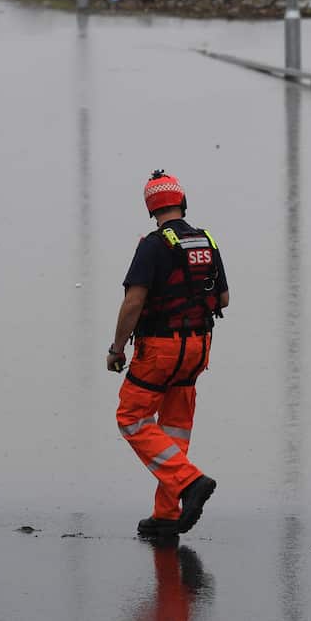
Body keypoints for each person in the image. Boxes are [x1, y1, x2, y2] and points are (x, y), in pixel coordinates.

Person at [108, 170, 227, 537]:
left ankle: (189, 482)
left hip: (161, 349)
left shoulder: (153, 245)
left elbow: (134, 302)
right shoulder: (206, 241)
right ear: (182, 202)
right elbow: (222, 299)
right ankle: (166, 513)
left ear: (150, 209)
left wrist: (116, 347)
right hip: (198, 348)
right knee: (174, 427)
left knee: (131, 417)